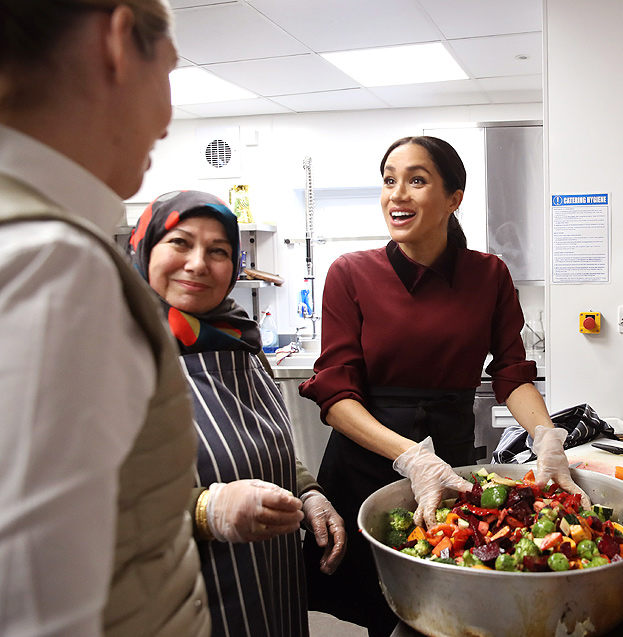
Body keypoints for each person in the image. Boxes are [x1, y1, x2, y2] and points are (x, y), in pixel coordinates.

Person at [299, 135, 590, 635]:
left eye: (417, 180)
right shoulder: (350, 273)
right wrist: (411, 458)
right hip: (370, 458)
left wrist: (547, 437)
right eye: (389, 181)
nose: (397, 195)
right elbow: (335, 395)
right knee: (382, 607)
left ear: (454, 198)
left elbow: (511, 373)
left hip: (450, 457)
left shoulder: (489, 275)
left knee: (452, 603)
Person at [0, 1, 210, 635]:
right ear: (118, 41)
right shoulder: (54, 265)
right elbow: (40, 613)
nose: (168, 122)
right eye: (169, 71)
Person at [129, 189, 347, 637]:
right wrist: (206, 511)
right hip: (186, 595)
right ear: (146, 248)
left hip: (273, 581)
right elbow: (97, 507)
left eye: (218, 250)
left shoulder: (241, 342)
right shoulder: (118, 355)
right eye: (180, 243)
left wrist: (307, 491)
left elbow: (262, 440)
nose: (198, 263)